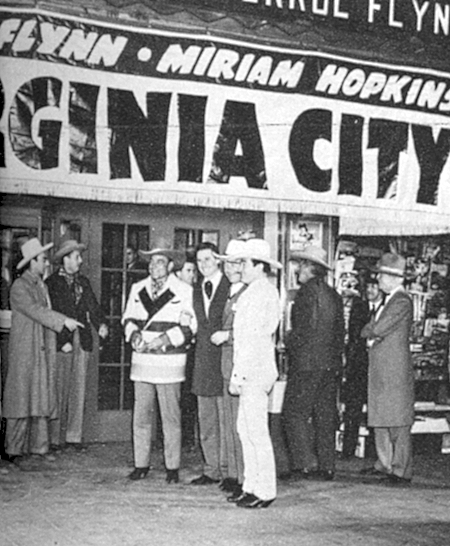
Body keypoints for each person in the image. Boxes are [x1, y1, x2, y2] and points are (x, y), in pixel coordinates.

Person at [2, 238, 83, 464]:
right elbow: (35, 311)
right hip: (25, 352)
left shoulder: (41, 285)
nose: (46, 263)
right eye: (43, 259)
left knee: (39, 398)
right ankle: (13, 449)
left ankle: (38, 447)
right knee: (21, 400)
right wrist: (63, 320)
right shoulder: (20, 287)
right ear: (32, 262)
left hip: (40, 351)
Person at [122, 242, 196, 483]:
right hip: (142, 360)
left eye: (160, 262)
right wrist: (133, 334)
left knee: (170, 417)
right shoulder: (137, 288)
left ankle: (172, 467)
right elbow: (128, 319)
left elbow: (190, 327)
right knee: (141, 416)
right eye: (152, 262)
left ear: (171, 265)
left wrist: (165, 339)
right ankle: (140, 464)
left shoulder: (184, 291)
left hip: (169, 363)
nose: (155, 266)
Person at [225, 238, 282, 508]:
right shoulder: (254, 291)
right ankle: (251, 485)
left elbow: (254, 339)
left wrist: (239, 375)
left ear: (259, 266)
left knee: (256, 431)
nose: (241, 267)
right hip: (252, 369)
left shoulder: (263, 293)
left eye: (245, 263)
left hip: (255, 370)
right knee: (244, 429)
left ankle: (265, 490)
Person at [282, 246, 345, 481]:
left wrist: (288, 339)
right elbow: (340, 332)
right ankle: (327, 466)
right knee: (325, 415)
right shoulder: (334, 294)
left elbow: (303, 331)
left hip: (307, 364)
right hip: (330, 364)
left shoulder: (306, 293)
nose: (298, 268)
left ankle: (303, 464)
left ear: (310, 268)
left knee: (294, 413)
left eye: (301, 264)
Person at [46, 240, 108, 452]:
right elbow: (49, 316)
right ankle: (55, 438)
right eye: (76, 257)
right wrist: (61, 341)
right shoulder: (51, 283)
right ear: (65, 259)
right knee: (59, 389)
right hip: (62, 342)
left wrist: (101, 324)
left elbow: (93, 306)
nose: (80, 260)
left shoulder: (84, 282)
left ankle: (74, 437)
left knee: (78, 389)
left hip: (82, 340)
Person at [361, 253, 415, 485]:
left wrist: (371, 331)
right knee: (381, 418)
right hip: (383, 368)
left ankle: (401, 470)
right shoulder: (388, 300)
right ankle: (384, 464)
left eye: (381, 275)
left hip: (394, 370)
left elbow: (376, 328)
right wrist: (372, 331)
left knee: (397, 422)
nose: (378, 278)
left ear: (394, 278)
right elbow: (372, 328)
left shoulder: (401, 301)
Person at [190, 242, 230, 485]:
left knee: (224, 418)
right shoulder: (194, 290)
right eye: (199, 261)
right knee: (206, 419)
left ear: (218, 260)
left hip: (224, 359)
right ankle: (210, 469)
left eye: (208, 259)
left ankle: (227, 471)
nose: (203, 264)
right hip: (203, 360)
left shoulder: (230, 286)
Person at [210, 239, 247, 497]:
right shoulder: (232, 291)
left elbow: (251, 330)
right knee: (228, 422)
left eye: (234, 263)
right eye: (226, 263)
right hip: (227, 365)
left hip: (239, 365)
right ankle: (233, 474)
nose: (228, 268)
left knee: (238, 424)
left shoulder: (247, 293)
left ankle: (243, 477)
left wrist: (227, 335)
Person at [340, 274, 370, 459]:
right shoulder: (338, 303)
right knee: (350, 406)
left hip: (356, 362)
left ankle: (349, 447)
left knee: (354, 405)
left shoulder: (362, 307)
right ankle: (347, 447)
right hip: (349, 360)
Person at [175, 254, 198, 448]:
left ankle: (187, 438)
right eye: (188, 271)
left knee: (188, 396)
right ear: (178, 273)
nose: (192, 274)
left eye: (193, 270)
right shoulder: (174, 293)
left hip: (191, 351)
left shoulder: (196, 293)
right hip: (175, 350)